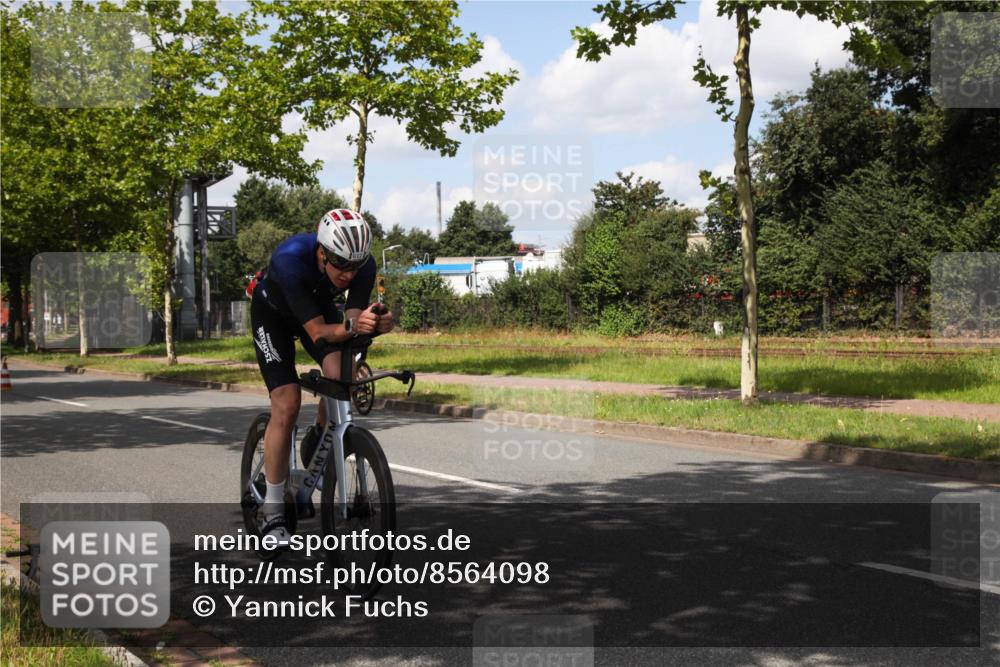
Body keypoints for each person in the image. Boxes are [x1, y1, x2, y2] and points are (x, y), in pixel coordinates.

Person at [248, 208, 393, 543]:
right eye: (340, 264)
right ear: (322, 252)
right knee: (287, 403)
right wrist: (354, 325)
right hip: (274, 317)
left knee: (341, 371)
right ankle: (272, 509)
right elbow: (317, 333)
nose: (347, 274)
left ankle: (319, 435)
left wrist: (379, 325)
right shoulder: (289, 259)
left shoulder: (361, 266)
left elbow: (352, 328)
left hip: (319, 312)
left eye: (354, 266)